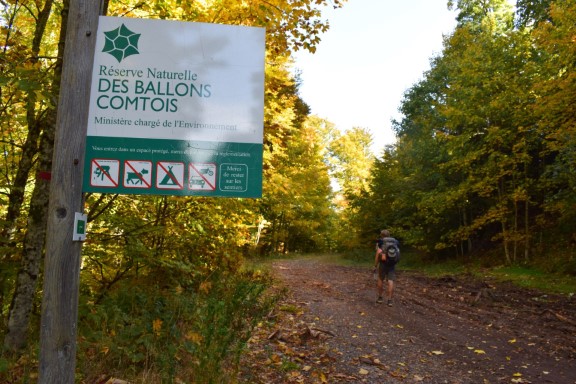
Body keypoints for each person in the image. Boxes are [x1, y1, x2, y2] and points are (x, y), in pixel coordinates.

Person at [373, 229, 399, 306]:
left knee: (380, 279)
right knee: (390, 281)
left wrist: (375, 265)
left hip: (383, 264)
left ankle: (380, 298)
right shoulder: (395, 241)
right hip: (392, 263)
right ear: (389, 235)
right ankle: (389, 300)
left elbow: (378, 253)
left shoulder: (380, 242)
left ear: (381, 235)